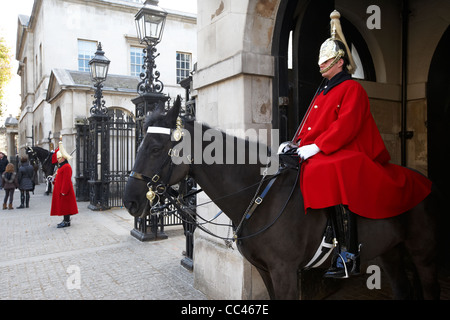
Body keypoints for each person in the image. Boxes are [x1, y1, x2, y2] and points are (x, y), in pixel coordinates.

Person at [279, 10, 432, 278]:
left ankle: (347, 254)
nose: (320, 65)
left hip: (352, 149)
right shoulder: (324, 91)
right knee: (301, 167)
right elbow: (312, 126)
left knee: (328, 169)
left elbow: (346, 127)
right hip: (331, 147)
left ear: (339, 62)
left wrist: (317, 147)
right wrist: (295, 144)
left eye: (326, 61)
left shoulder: (353, 89)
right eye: (321, 61)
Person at [50, 141, 78, 228]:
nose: (58, 160)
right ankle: (65, 220)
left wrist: (63, 191)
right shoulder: (62, 166)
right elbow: (60, 178)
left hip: (65, 190)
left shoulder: (66, 167)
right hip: (61, 189)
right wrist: (53, 180)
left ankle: (66, 221)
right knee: (63, 206)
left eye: (59, 158)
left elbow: (66, 180)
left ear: (63, 158)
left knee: (66, 207)